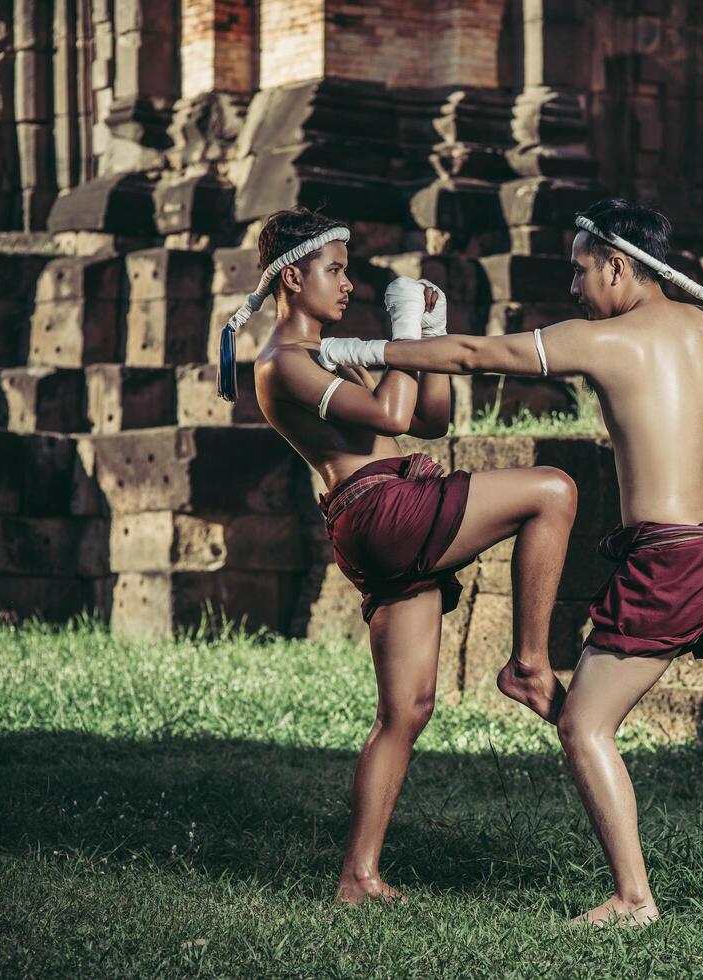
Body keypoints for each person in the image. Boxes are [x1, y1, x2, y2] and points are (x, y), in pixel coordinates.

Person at [314, 198, 703, 925]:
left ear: (618, 266)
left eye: (581, 269)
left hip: (673, 557)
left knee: (583, 726)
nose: (574, 287)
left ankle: (632, 899)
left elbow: (473, 355)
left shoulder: (605, 341)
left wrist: (360, 353)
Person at [216, 207, 575, 906]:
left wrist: (428, 336)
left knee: (404, 712)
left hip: (385, 515)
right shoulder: (283, 362)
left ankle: (358, 877)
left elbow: (433, 417)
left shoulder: (331, 350)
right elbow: (390, 418)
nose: (347, 285)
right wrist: (400, 335)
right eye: (335, 271)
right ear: (293, 276)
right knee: (553, 491)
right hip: (379, 510)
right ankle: (529, 663)